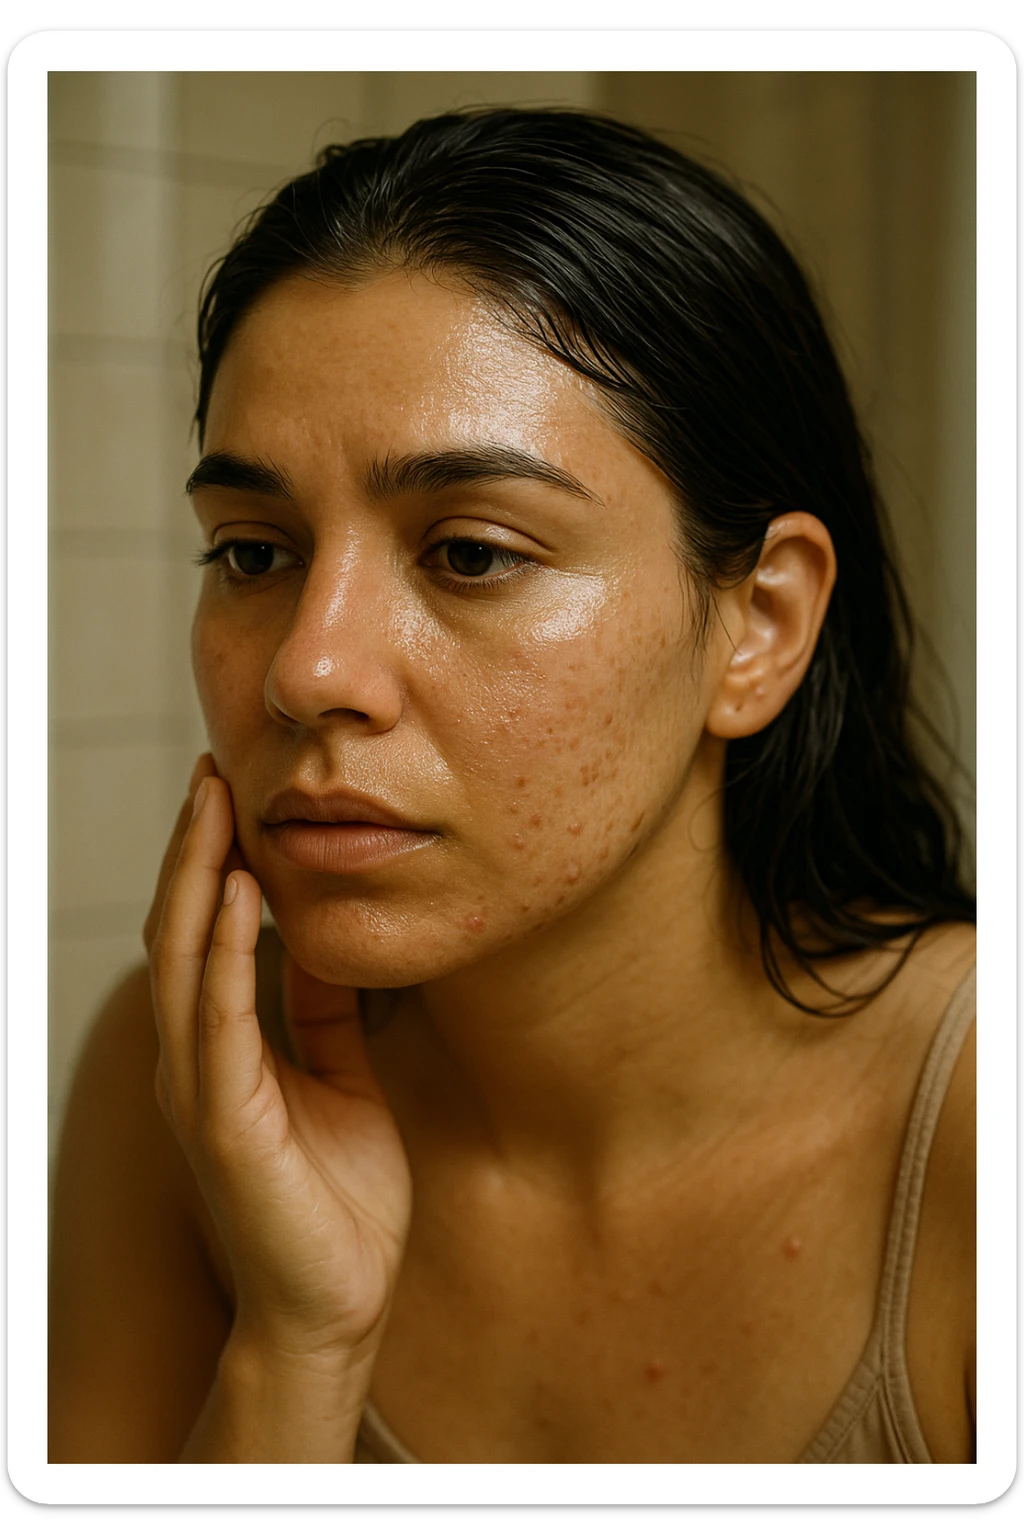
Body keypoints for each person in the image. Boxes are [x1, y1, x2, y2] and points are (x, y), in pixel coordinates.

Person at [48, 108, 976, 1465]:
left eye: (472, 554)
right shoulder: (182, 1077)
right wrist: (296, 1347)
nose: (307, 670)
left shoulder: (975, 1129)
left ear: (760, 626)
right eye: (252, 553)